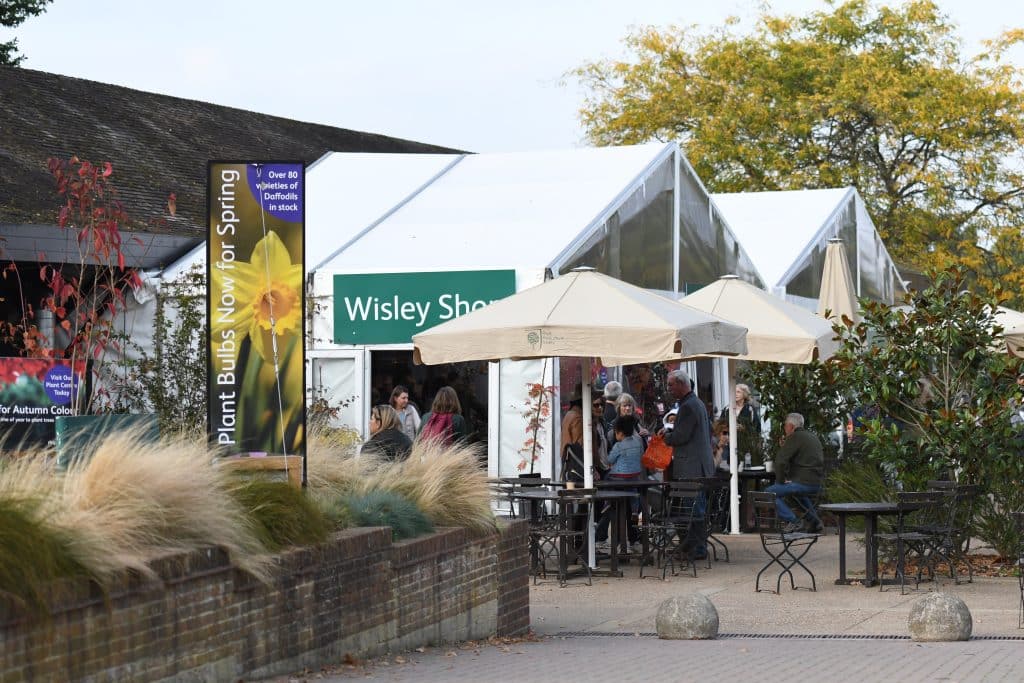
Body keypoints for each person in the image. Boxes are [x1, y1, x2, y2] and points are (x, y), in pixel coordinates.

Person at [660, 369, 714, 560]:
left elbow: (682, 436)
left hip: (692, 467)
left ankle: (697, 549)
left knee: (693, 509)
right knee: (694, 508)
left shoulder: (689, 406)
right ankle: (692, 546)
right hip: (698, 465)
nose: (669, 389)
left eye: (671, 385)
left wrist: (666, 436)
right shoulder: (695, 403)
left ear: (682, 384)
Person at [765, 413, 825, 533]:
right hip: (816, 483)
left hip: (801, 483)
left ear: (791, 426)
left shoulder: (795, 437)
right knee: (798, 495)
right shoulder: (812, 436)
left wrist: (780, 481)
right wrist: (785, 446)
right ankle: (815, 521)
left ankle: (794, 521)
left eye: (785, 426)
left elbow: (780, 462)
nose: (784, 429)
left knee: (768, 493)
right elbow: (801, 459)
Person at [595, 414, 644, 553]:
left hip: (619, 478)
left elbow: (610, 459)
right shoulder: (637, 441)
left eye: (615, 432)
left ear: (620, 433)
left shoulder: (618, 445)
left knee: (608, 479)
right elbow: (641, 454)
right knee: (633, 493)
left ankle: (607, 502)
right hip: (634, 477)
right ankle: (635, 510)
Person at [560, 389, 608, 482]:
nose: (600, 408)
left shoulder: (573, 414)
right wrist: (592, 469)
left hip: (576, 468)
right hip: (581, 470)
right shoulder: (579, 418)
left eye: (601, 405)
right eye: (595, 404)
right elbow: (581, 447)